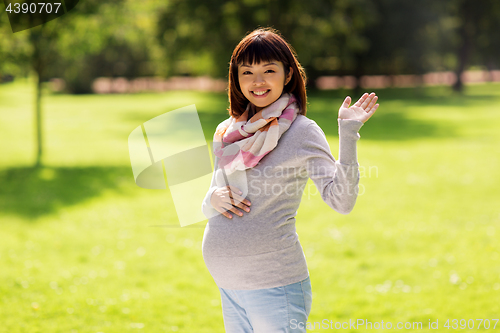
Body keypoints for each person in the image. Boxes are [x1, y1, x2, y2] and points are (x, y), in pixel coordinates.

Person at [201, 27, 378, 333]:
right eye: (247, 72)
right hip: (228, 284)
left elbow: (342, 201)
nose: (258, 81)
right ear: (236, 78)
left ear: (287, 75)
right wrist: (211, 200)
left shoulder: (301, 131)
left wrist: (348, 135)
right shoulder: (228, 131)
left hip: (273, 283)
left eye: (269, 70)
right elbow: (210, 199)